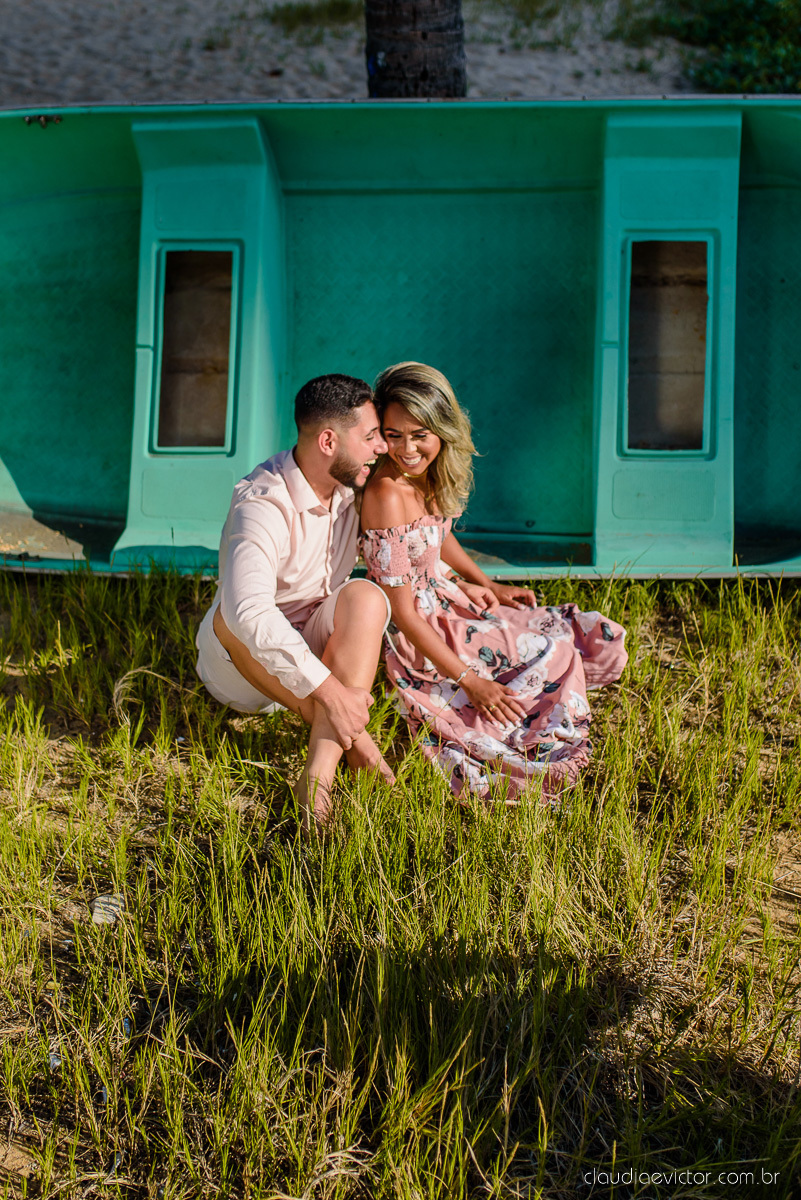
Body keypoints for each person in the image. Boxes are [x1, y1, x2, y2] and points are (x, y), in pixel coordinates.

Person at [359, 362, 628, 803]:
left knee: (573, 633)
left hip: (444, 597)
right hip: (417, 627)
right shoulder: (386, 492)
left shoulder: (422, 475)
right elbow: (403, 614)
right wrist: (469, 681)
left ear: (442, 431)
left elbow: (434, 536)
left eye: (419, 434)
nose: (405, 448)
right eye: (393, 434)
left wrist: (485, 582)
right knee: (552, 653)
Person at [196, 373, 395, 830]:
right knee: (233, 616)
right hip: (239, 675)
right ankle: (355, 737)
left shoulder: (353, 490)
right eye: (369, 437)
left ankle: (317, 777)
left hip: (311, 640)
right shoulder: (262, 503)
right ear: (329, 440)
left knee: (365, 596)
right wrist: (329, 692)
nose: (380, 448)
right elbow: (248, 614)